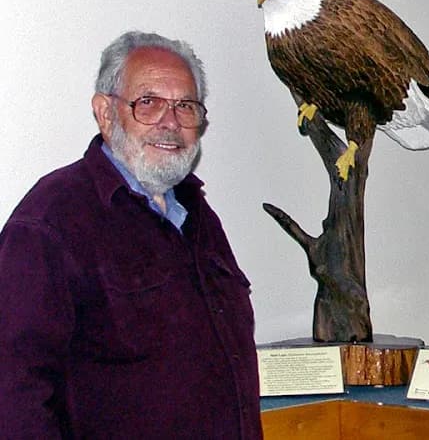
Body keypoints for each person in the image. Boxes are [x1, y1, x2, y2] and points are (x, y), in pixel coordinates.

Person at [0, 31, 262, 438]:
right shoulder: (51, 222)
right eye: (149, 102)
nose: (170, 122)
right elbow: (14, 394)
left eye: (185, 106)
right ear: (105, 113)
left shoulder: (195, 213)